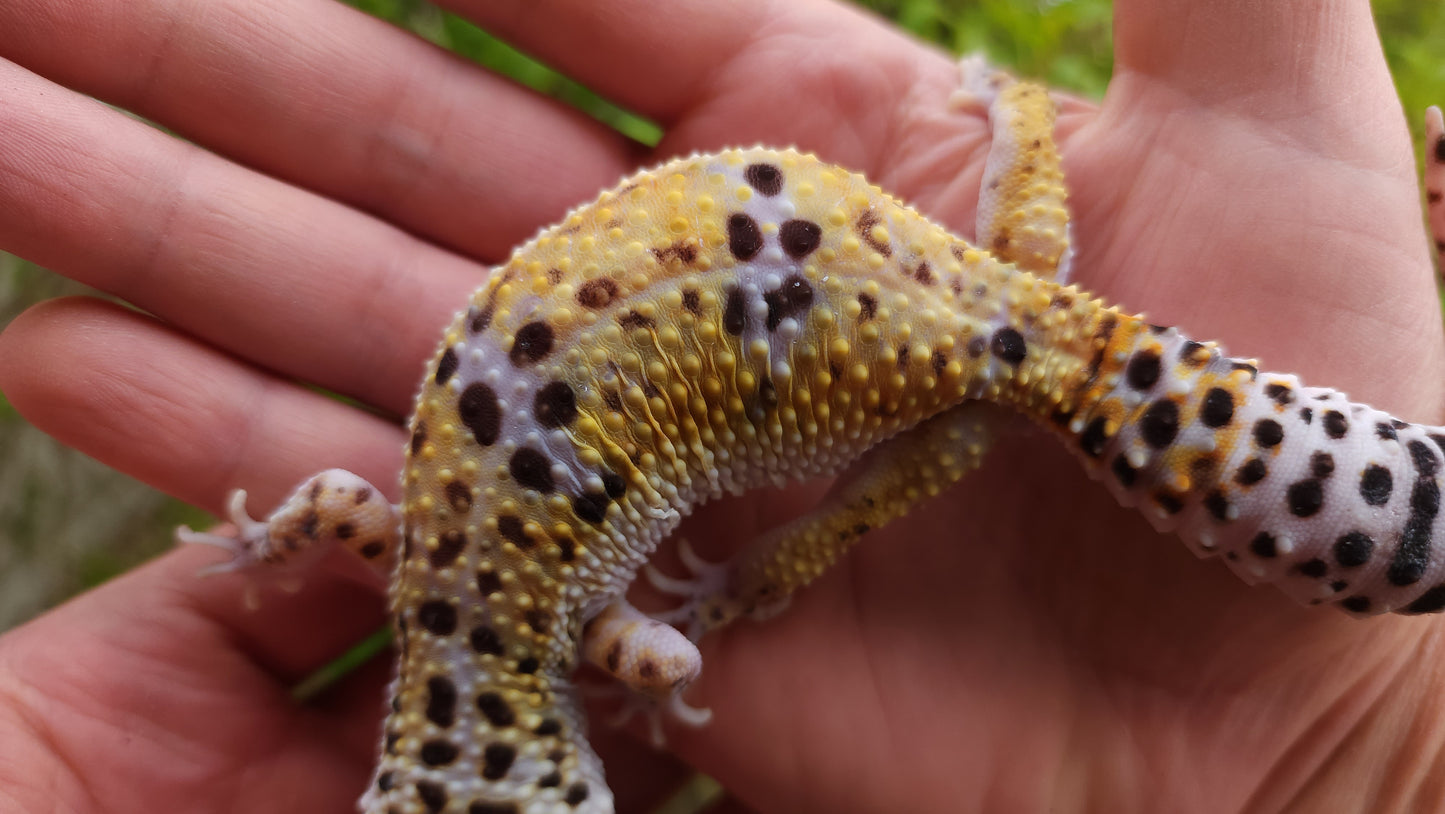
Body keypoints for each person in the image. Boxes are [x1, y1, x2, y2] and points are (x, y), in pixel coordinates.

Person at [1, 0, 1442, 811]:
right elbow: (331, 509)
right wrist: (267, 542)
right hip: (808, 275)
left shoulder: (585, 640)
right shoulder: (404, 570)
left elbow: (649, 650)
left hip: (845, 312)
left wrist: (757, 579)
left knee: (911, 443)